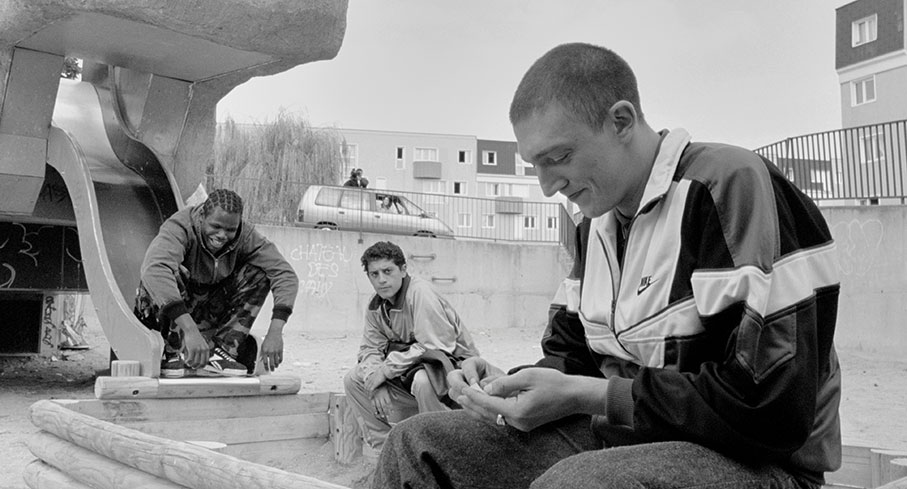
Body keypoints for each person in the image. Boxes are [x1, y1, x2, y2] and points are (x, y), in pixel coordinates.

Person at [373, 43, 842, 489]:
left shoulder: (728, 190)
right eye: (534, 165)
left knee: (578, 483)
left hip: (760, 465)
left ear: (621, 120)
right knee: (415, 444)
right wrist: (503, 383)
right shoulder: (592, 225)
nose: (547, 186)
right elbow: (569, 361)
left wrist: (589, 396)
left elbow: (770, 408)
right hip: (620, 437)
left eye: (557, 158)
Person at [134, 188, 299, 378]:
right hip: (172, 314)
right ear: (203, 215)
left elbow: (285, 275)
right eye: (216, 226)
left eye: (230, 229)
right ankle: (171, 350)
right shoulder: (181, 227)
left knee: (258, 274)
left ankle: (223, 352)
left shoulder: (245, 235)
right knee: (165, 271)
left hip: (207, 308)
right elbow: (154, 269)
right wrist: (189, 329)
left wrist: (276, 331)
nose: (222, 235)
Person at [344, 241, 479, 451]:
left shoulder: (420, 293)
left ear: (404, 269)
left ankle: (438, 448)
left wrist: (386, 371)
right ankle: (388, 450)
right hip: (408, 372)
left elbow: (434, 346)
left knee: (424, 380)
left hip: (454, 375)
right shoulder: (375, 305)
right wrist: (375, 378)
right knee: (353, 380)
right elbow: (370, 349)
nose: (381, 280)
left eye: (387, 271)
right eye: (374, 274)